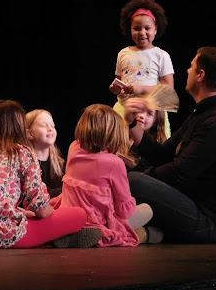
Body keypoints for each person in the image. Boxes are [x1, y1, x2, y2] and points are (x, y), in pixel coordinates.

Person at [125, 46, 216, 244]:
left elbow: (179, 173)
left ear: (200, 75)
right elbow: (162, 154)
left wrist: (139, 178)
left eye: (191, 67)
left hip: (209, 223)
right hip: (189, 207)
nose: (187, 71)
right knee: (126, 175)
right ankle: (141, 230)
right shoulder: (202, 114)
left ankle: (116, 225)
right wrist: (131, 122)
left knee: (134, 181)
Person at [0, 99, 101, 249]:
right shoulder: (20, 153)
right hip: (6, 236)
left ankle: (59, 237)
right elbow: (41, 209)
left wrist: (21, 212)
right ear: (19, 125)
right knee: (78, 214)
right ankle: (58, 237)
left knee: (46, 211)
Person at [53, 104, 153, 247]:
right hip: (99, 221)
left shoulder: (73, 147)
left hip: (71, 214)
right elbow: (124, 210)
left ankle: (73, 233)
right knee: (147, 210)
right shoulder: (114, 164)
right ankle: (145, 234)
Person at [109, 0, 175, 137]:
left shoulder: (161, 55)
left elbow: (169, 91)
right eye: (137, 28)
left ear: (155, 29)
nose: (142, 33)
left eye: (147, 28)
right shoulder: (123, 53)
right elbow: (119, 81)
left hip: (151, 112)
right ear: (130, 29)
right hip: (124, 108)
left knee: (155, 150)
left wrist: (141, 88)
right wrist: (115, 89)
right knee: (120, 147)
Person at [124, 84, 180, 173]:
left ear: (155, 122)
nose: (142, 116)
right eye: (140, 110)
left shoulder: (157, 148)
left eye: (149, 113)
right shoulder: (122, 137)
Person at [25, 109, 65, 198]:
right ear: (30, 133)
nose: (50, 129)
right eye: (44, 126)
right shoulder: (26, 164)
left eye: (52, 126)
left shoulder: (59, 163)